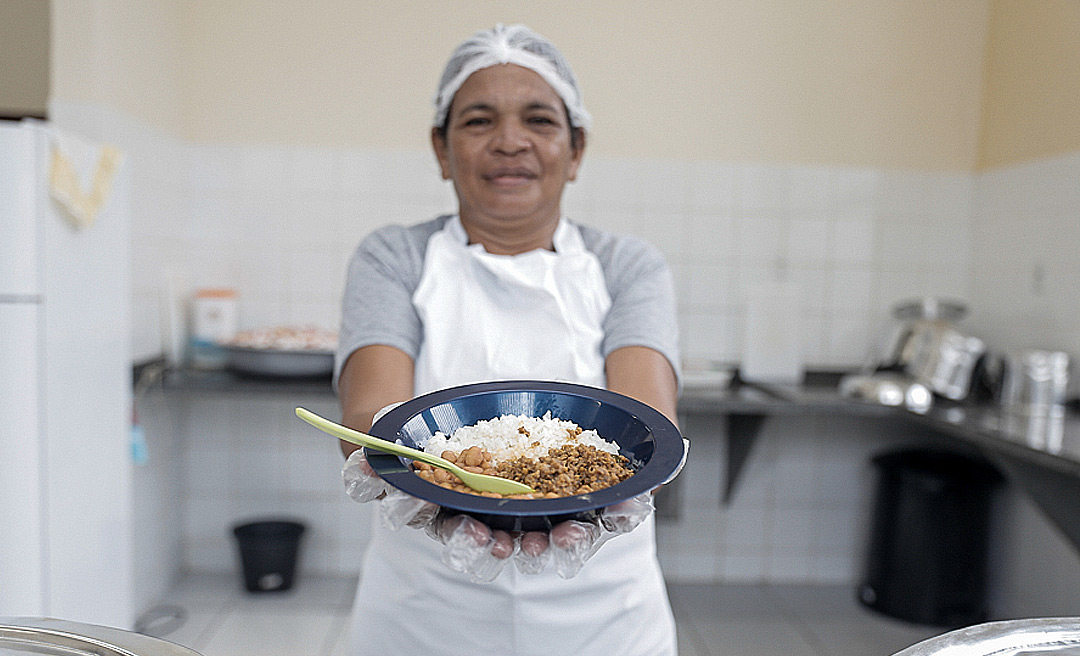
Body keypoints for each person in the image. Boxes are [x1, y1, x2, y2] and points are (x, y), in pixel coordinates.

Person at [334, 24, 683, 656]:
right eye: (477, 121)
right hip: (424, 612)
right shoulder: (394, 256)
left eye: (540, 120)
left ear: (576, 151)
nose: (510, 142)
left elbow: (648, 424)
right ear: (441, 150)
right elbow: (372, 411)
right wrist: (392, 460)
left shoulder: (629, 266)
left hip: (604, 616)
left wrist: (614, 487)